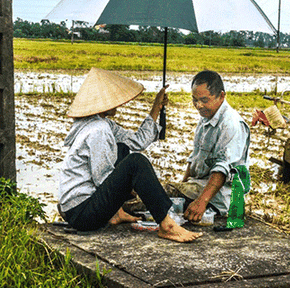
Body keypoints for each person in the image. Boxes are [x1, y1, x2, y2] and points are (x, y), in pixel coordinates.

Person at [58, 67, 202, 243]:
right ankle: (167, 226)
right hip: (82, 214)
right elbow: (103, 179)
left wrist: (156, 107)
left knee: (123, 150)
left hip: (77, 210)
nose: (118, 103)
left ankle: (117, 213)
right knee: (136, 163)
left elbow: (137, 142)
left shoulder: (101, 123)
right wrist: (133, 186)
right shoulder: (98, 130)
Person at [168, 70, 250, 223]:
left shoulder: (230, 124)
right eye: (195, 100)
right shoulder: (206, 115)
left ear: (221, 96)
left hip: (219, 197)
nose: (198, 105)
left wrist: (201, 202)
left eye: (204, 100)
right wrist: (182, 185)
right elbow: (194, 158)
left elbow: (223, 168)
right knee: (161, 192)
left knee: (158, 196)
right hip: (198, 186)